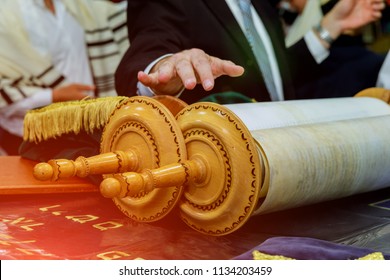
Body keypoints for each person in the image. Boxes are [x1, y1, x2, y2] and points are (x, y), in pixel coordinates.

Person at [115, 0, 385, 104]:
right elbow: (148, 48)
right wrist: (167, 69)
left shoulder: (260, 3)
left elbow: (276, 73)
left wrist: (332, 26)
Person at [0, 0, 128, 155]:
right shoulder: (6, 15)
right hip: (35, 138)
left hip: (93, 128)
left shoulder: (80, 5)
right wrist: (54, 96)